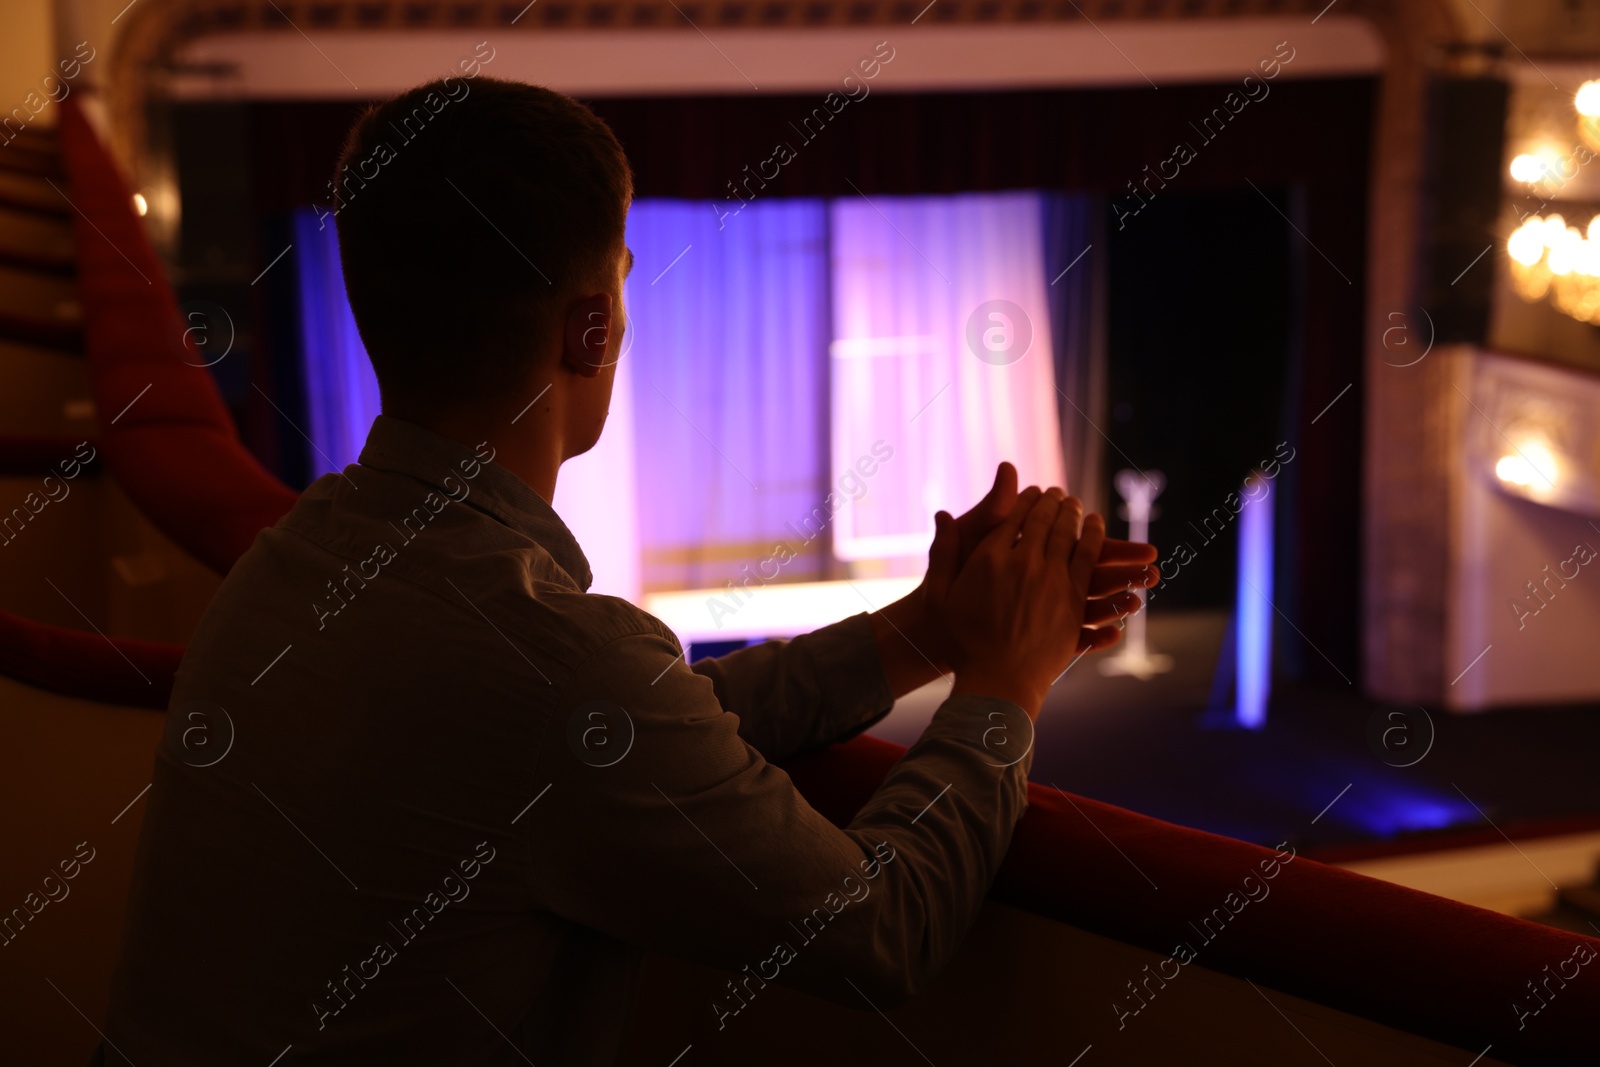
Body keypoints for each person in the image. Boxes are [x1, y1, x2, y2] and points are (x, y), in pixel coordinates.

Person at [96, 76, 1157, 1065]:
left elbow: (643, 722)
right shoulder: (554, 662)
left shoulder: (297, 558)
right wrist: (1009, 682)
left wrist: (928, 629)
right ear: (591, 327)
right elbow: (880, 930)